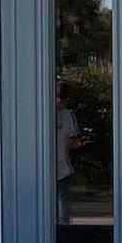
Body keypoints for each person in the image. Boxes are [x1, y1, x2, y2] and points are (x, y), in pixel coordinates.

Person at [54, 83, 82, 224]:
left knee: (62, 204)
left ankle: (63, 232)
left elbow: (74, 142)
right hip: (45, 169)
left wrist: (74, 141)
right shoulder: (40, 113)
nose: (61, 103)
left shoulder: (68, 116)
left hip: (63, 168)